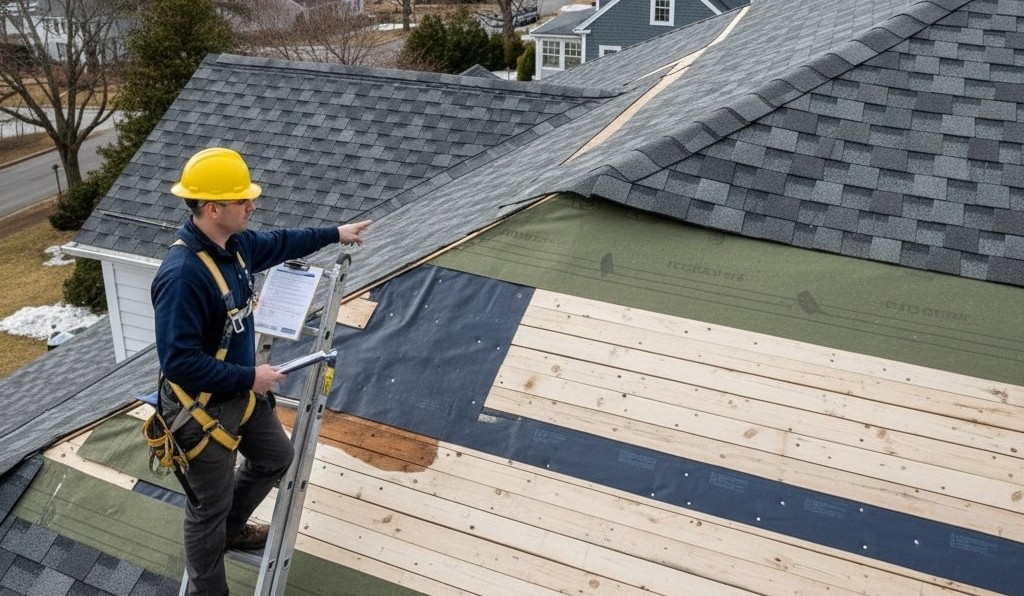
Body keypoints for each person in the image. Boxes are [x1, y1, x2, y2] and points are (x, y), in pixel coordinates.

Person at [151, 147, 371, 596]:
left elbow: (282, 242)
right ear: (213, 209)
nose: (252, 206)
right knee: (205, 509)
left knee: (276, 457)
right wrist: (251, 378)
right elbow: (179, 362)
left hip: (237, 395)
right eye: (242, 200)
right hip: (201, 409)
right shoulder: (182, 277)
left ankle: (230, 528)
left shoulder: (236, 247)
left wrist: (336, 233)